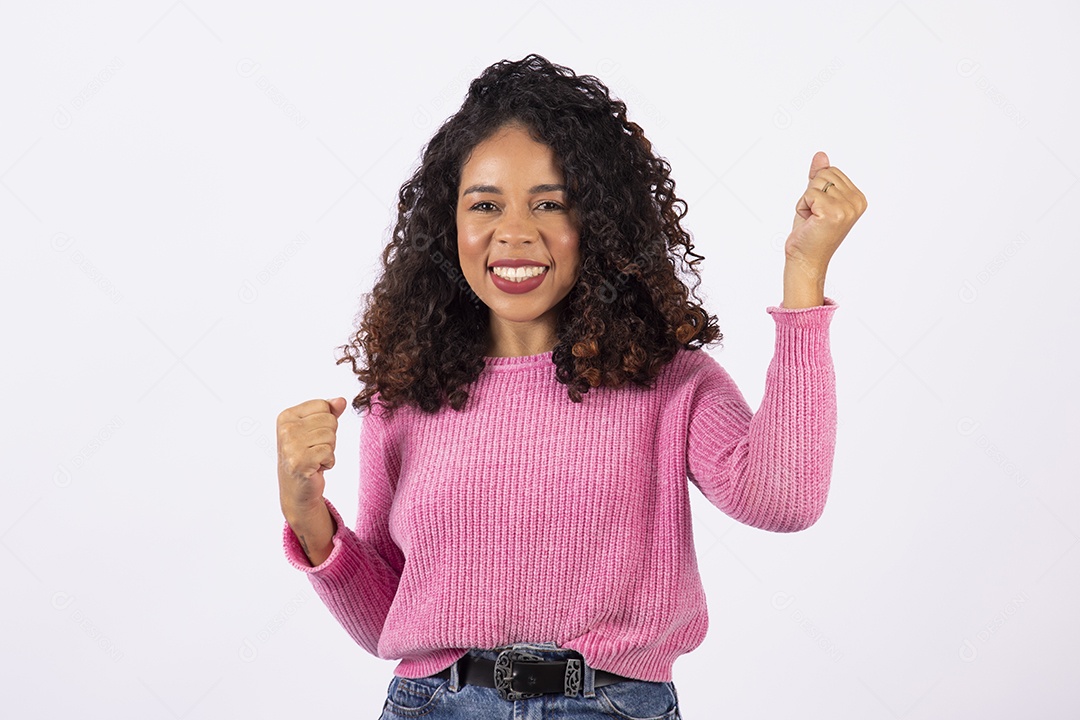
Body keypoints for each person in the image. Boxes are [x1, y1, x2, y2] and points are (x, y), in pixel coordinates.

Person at [275, 54, 866, 719]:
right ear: (450, 224)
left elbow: (784, 499)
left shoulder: (670, 383)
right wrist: (305, 511)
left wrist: (804, 272)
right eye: (486, 205)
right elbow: (390, 620)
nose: (515, 233)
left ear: (599, 224)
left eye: (550, 204)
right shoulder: (406, 396)